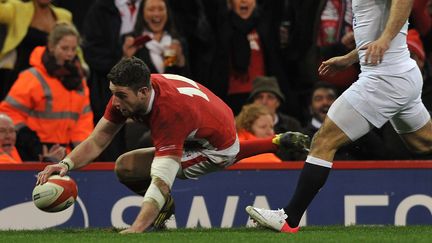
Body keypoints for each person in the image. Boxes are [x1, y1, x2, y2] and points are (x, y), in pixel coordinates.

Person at [36, 57, 309, 233]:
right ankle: (275, 142)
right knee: (126, 166)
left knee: (136, 171)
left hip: (215, 148)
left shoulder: (169, 113)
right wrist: (64, 164)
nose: (115, 103)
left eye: (120, 96)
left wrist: (136, 228)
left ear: (144, 92)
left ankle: (160, 210)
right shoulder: (133, 90)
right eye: (112, 94)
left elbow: (161, 180)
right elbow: (99, 138)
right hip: (208, 124)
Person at [246, 0, 432, 233]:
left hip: (383, 80)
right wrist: (350, 58)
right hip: (402, 74)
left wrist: (384, 41)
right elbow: (374, 29)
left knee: (324, 140)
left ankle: (288, 218)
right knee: (424, 142)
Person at [0, 23, 93, 161]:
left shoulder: (79, 82)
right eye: (64, 48)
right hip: (35, 154)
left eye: (73, 49)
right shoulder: (33, 77)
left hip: (65, 155)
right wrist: (31, 143)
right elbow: (9, 112)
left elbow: (83, 120)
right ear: (51, 47)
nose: (69, 54)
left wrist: (82, 153)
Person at [0, 0, 74, 101]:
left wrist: (81, 68)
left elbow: (73, 45)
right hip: (17, 76)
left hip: (51, 78)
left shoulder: (64, 16)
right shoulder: (17, 8)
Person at [123, 0, 189, 76]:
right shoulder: (132, 41)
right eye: (151, 9)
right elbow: (119, 82)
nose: (156, 14)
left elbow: (188, 81)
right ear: (142, 13)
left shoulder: (177, 41)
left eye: (161, 9)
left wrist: (180, 61)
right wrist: (126, 58)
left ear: (167, 12)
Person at [0, 113, 65, 163]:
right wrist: (48, 163)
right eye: (2, 131)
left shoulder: (13, 151)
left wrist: (45, 162)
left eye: (11, 131)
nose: (8, 136)